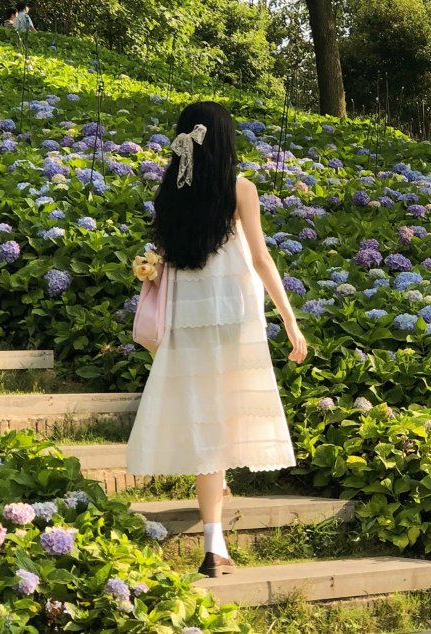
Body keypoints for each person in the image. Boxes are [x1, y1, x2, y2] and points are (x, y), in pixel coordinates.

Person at [126, 101, 307, 578]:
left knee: (206, 414)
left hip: (187, 316)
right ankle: (214, 541)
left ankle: (214, 523)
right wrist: (289, 317)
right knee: (224, 414)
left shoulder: (171, 191)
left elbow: (165, 255)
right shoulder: (239, 188)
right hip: (234, 314)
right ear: (225, 140)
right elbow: (262, 258)